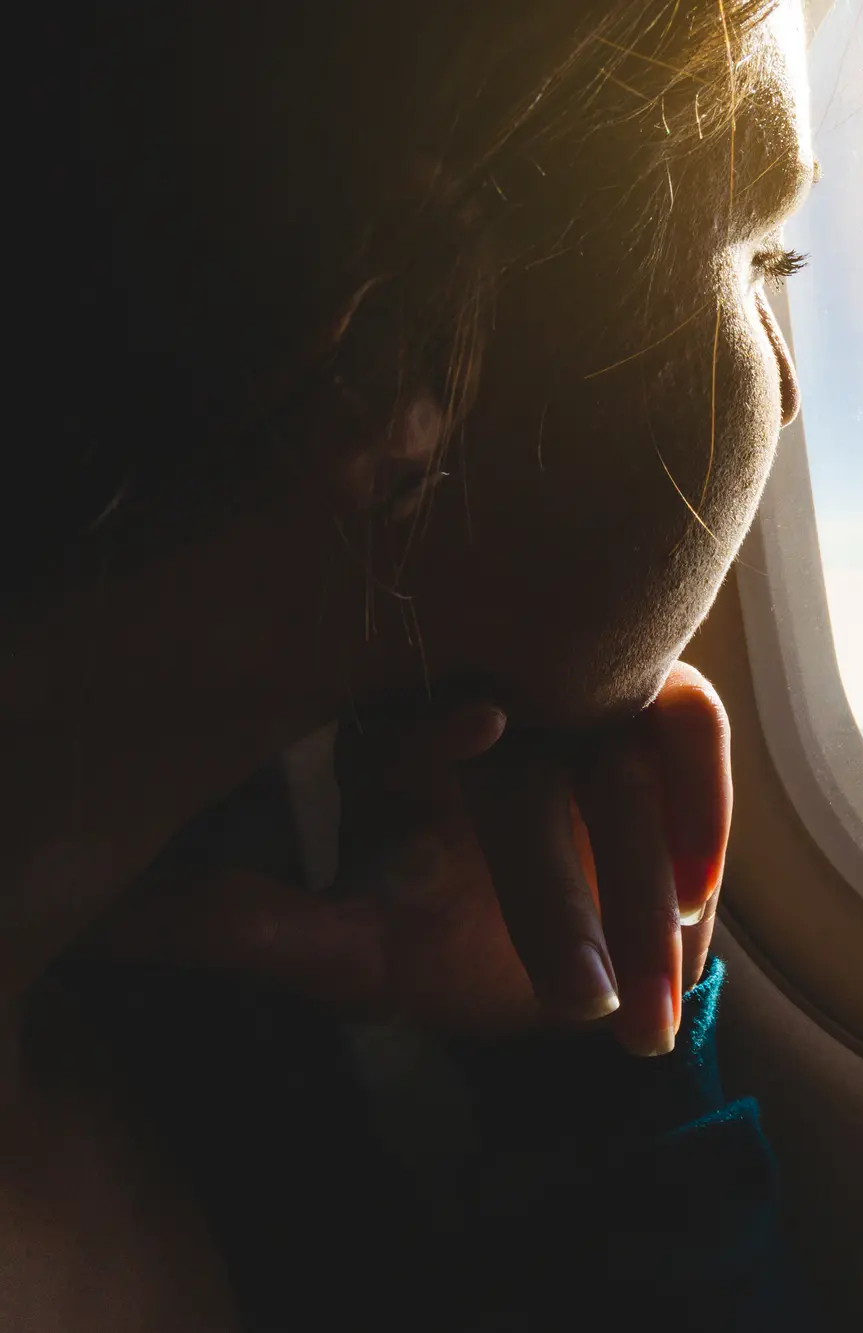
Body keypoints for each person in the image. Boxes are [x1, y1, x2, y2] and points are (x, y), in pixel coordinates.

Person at [3, 1, 819, 1326]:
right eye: (761, 258)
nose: (785, 390)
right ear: (410, 342)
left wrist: (577, 1067)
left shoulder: (171, 972)